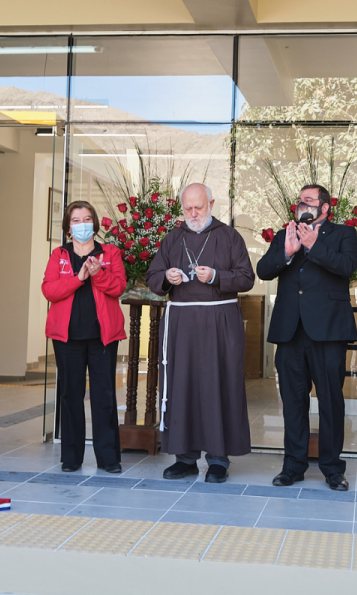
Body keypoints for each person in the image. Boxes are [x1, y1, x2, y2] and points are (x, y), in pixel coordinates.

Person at [146, 183, 255, 483]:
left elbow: (247, 278)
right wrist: (166, 277)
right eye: (188, 208)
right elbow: (153, 277)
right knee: (183, 385)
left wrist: (218, 276)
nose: (193, 214)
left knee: (217, 384)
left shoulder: (229, 237)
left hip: (220, 323)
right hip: (182, 323)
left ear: (212, 203)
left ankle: (218, 458)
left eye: (200, 207)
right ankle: (185, 458)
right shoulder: (172, 239)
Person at [257, 184, 357, 491]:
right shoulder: (284, 234)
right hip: (290, 334)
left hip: (328, 332)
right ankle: (293, 466)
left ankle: (331, 468)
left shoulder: (344, 235)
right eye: (300, 200)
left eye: (309, 200)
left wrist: (315, 246)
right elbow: (263, 270)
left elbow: (347, 268)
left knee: (330, 402)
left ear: (325, 208)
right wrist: (287, 253)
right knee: (292, 402)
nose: (302, 204)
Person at [42, 201, 126, 473]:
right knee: (70, 395)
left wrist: (99, 274)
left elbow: (119, 287)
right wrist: (79, 278)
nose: (82, 224)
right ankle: (71, 457)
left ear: (95, 224)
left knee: (104, 395)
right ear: (68, 227)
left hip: (103, 336)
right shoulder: (59, 255)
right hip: (67, 338)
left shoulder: (110, 253)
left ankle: (109, 458)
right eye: (76, 220)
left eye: (87, 219)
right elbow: (50, 290)